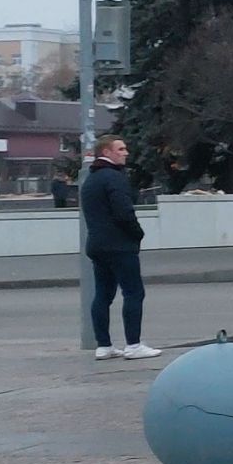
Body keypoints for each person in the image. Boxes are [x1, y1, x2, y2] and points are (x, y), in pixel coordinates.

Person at [81, 134, 158, 361]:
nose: (126, 153)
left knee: (103, 295)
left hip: (97, 245)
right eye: (121, 149)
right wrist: (138, 234)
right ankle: (133, 345)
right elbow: (124, 212)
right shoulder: (114, 178)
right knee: (134, 292)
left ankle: (103, 345)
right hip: (120, 245)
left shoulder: (91, 180)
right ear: (107, 152)